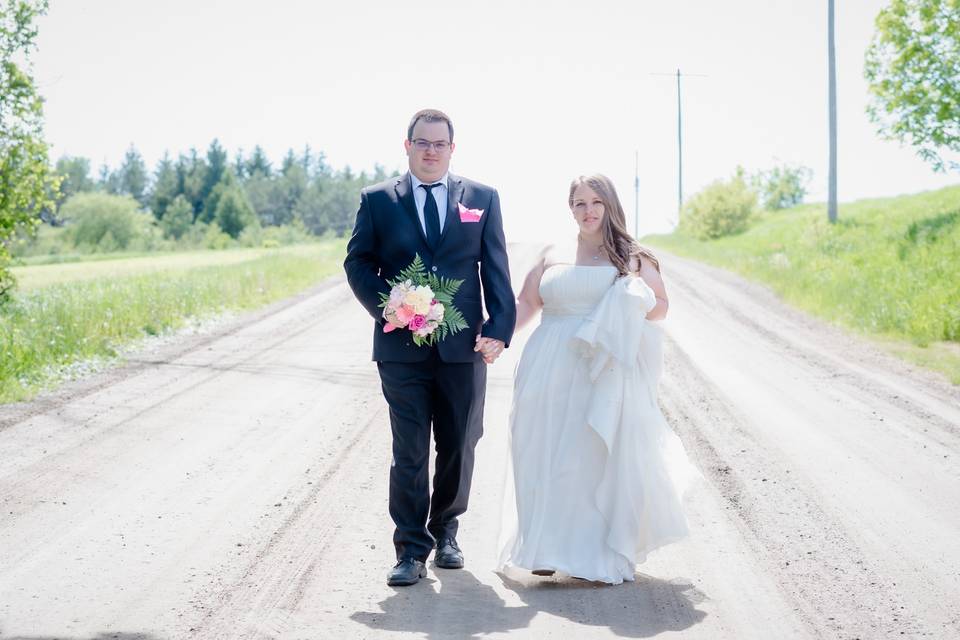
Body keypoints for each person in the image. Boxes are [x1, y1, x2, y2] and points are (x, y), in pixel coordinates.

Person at [344, 109, 516, 587]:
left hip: (463, 348)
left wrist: (499, 327)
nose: (431, 151)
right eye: (422, 142)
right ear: (407, 146)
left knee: (461, 443)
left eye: (440, 143)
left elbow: (495, 268)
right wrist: (389, 306)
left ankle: (446, 530)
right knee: (411, 450)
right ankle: (410, 549)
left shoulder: (481, 198)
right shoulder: (378, 201)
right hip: (401, 351)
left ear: (452, 149)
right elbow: (356, 262)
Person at [498, 174, 697, 585]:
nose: (587, 211)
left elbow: (660, 307)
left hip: (600, 370)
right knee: (538, 451)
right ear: (569, 209)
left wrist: (632, 300)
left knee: (585, 460)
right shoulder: (551, 252)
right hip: (546, 364)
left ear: (610, 205)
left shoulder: (632, 256)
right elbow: (527, 302)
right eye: (578, 204)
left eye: (595, 202)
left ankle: (585, 552)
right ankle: (542, 548)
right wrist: (494, 335)